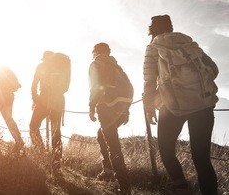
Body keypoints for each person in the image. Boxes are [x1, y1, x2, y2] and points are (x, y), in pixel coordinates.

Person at [143, 15, 218, 195]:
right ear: (170, 27)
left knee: (166, 150)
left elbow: (149, 81)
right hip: (203, 104)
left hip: (171, 108)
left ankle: (181, 187)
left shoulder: (153, 47)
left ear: (152, 30)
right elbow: (213, 69)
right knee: (202, 159)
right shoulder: (189, 43)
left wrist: (149, 107)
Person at [88, 43, 133, 195]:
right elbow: (128, 88)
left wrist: (91, 106)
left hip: (106, 107)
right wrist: (126, 111)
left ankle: (124, 185)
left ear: (95, 52)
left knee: (113, 145)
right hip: (121, 107)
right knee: (102, 136)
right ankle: (107, 170)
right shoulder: (116, 66)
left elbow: (95, 87)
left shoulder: (96, 63)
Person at [30, 51, 71, 170]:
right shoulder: (61, 67)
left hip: (42, 99)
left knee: (33, 126)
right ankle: (56, 160)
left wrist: (35, 99)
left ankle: (41, 153)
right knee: (55, 130)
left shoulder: (40, 66)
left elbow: (33, 85)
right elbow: (65, 87)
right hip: (58, 100)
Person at [0, 65, 24, 151]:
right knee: (8, 118)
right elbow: (16, 84)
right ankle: (19, 140)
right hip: (9, 96)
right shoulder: (7, 69)